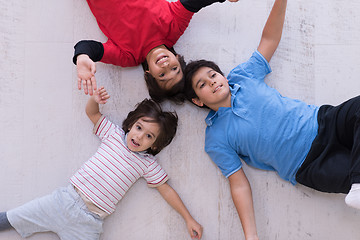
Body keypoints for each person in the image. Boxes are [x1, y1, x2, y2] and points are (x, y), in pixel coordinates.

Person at [184, 0, 360, 238]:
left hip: (326, 122)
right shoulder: (215, 138)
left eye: (213, 74)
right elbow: (238, 183)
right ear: (198, 101)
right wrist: (251, 235)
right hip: (308, 164)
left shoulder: (243, 77)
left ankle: (357, 182)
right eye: (202, 84)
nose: (213, 81)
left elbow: (269, 40)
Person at [0, 87, 203, 239]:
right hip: (63, 202)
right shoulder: (113, 134)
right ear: (131, 124)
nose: (140, 137)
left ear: (155, 145)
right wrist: (94, 100)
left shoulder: (147, 164)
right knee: (13, 217)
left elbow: (166, 190)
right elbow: (93, 114)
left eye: (149, 136)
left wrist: (188, 218)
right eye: (139, 128)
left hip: (90, 221)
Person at [73, 0, 238, 102]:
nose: (166, 66)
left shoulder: (128, 56)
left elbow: (90, 48)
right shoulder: (173, 29)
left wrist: (82, 57)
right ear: (178, 57)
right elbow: (193, 3)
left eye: (162, 75)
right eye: (174, 69)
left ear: (148, 73)